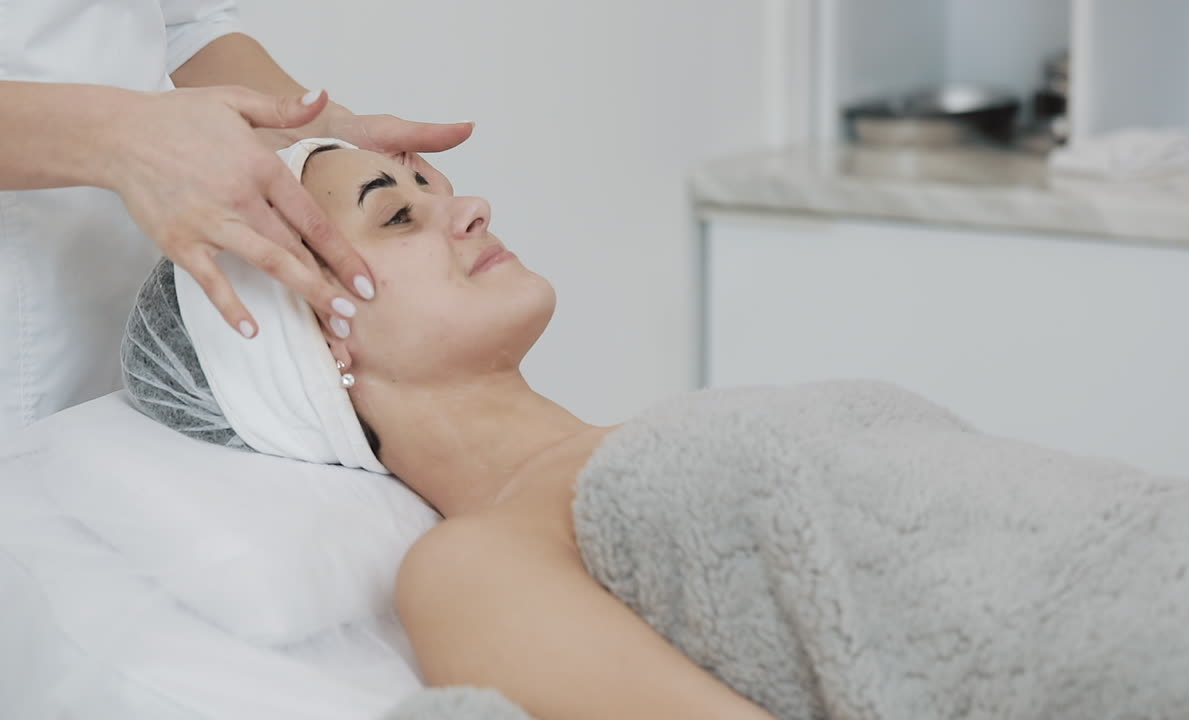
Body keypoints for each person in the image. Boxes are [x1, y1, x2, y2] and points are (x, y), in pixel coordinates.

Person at [122, 140, 779, 720]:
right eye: (400, 215)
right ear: (322, 341)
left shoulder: (662, 436)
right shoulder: (468, 572)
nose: (473, 208)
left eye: (433, 191)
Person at [0, 1, 472, 433]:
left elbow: (187, 25)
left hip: (112, 307)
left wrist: (311, 128)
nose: (475, 210)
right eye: (397, 216)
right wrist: (113, 135)